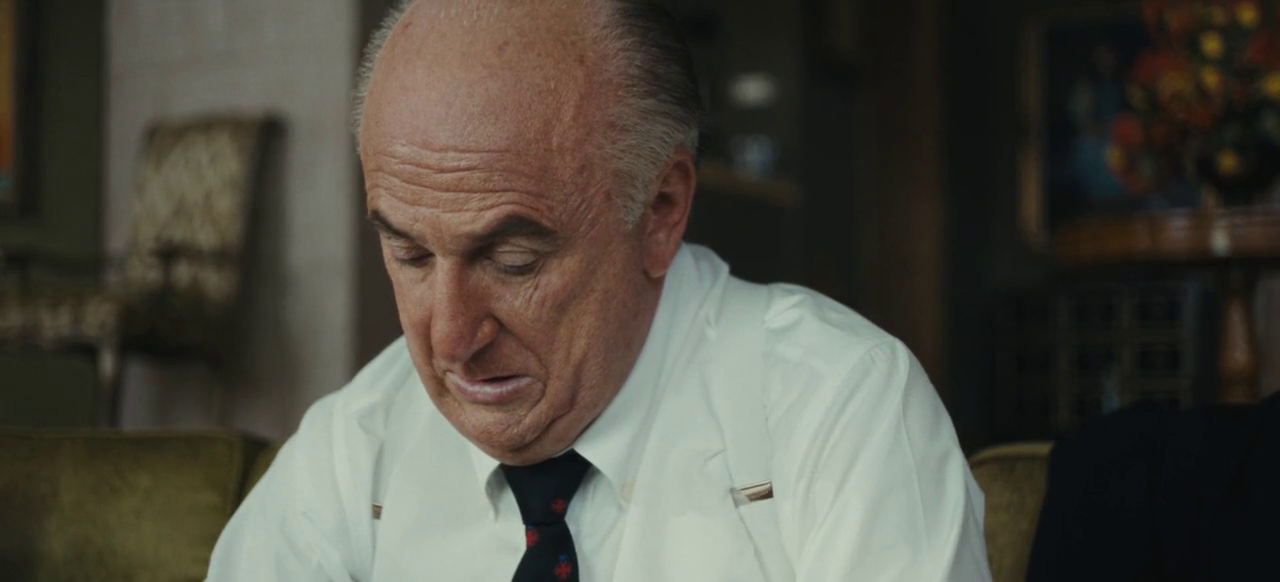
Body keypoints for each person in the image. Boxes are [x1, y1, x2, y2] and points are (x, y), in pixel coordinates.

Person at [206, 0, 991, 580]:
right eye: (409, 254)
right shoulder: (354, 449)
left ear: (660, 210)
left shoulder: (839, 411)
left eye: (514, 261)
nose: (449, 339)